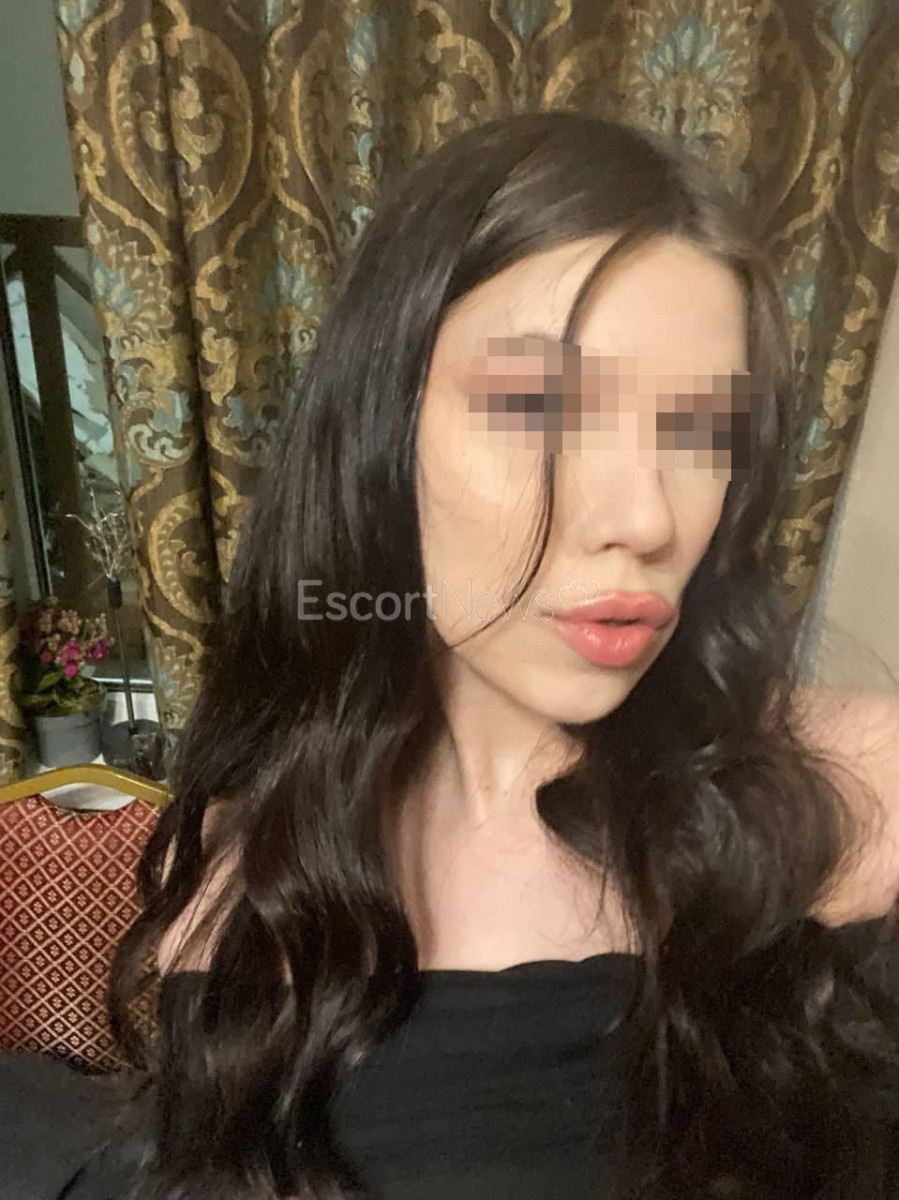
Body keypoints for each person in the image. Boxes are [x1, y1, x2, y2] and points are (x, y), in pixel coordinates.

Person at [109, 111, 899, 1200]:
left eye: (700, 429)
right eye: (537, 408)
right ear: (381, 436)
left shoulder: (859, 796)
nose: (643, 519)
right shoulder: (246, 866)